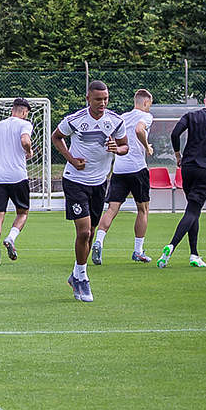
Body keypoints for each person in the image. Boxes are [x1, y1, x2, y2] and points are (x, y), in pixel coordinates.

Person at [51, 81, 128, 302]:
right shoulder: (75, 120)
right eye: (97, 99)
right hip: (75, 181)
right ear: (88, 98)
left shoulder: (115, 121)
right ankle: (83, 279)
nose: (102, 103)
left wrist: (117, 149)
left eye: (105, 99)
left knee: (91, 232)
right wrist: (72, 160)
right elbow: (57, 137)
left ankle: (75, 273)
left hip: (99, 183)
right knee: (84, 233)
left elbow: (125, 146)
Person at [156, 87, 206, 268]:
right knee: (193, 210)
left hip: (188, 168)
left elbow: (175, 134)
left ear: (205, 100)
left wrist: (177, 155)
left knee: (193, 210)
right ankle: (171, 245)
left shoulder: (191, 116)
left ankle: (194, 254)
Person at [93, 89, 155, 264]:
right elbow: (139, 129)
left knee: (112, 209)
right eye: (149, 104)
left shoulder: (122, 117)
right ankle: (138, 251)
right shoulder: (146, 116)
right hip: (137, 168)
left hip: (119, 169)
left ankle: (99, 241)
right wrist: (146, 147)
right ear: (145, 103)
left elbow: (108, 135)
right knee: (143, 210)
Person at [0, 97, 34, 264]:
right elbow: (25, 141)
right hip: (18, 176)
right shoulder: (25, 124)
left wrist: (3, 153)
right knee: (22, 213)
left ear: (12, 110)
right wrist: (29, 151)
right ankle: (11, 237)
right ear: (24, 112)